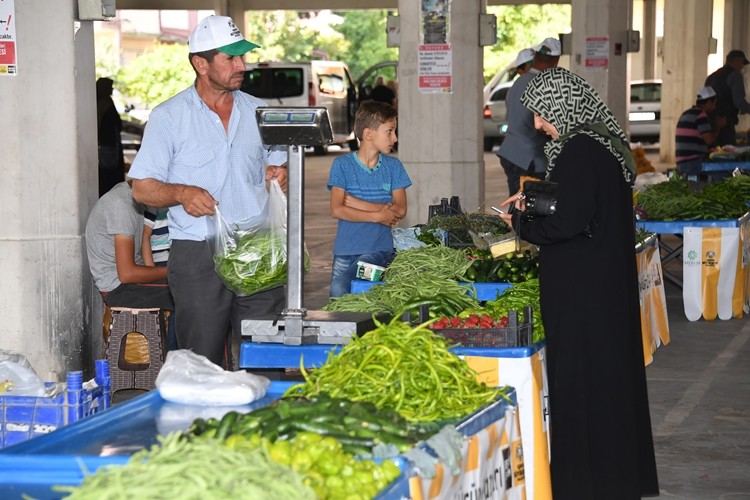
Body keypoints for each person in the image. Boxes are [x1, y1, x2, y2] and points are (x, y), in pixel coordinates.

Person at [498, 68, 659, 499]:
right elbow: (580, 202)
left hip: (583, 294)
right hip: (601, 288)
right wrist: (533, 200)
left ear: (561, 105)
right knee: (607, 386)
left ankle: (585, 483)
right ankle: (613, 477)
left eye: (539, 113)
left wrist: (520, 222)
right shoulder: (598, 144)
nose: (536, 124)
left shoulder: (578, 151)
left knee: (584, 386)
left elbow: (566, 222)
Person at [127, 15, 288, 368]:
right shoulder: (169, 117)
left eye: (242, 57)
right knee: (202, 360)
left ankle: (261, 421)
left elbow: (277, 166)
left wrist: (278, 173)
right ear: (201, 63)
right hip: (198, 254)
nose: (242, 66)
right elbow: (142, 188)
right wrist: (182, 193)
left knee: (266, 352)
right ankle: (207, 422)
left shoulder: (261, 111)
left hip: (258, 248)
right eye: (231, 58)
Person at [327, 100, 411, 298]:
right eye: (389, 131)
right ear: (368, 134)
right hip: (344, 251)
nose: (395, 138)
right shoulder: (342, 165)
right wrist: (379, 215)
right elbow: (336, 209)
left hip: (379, 252)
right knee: (338, 301)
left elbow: (400, 210)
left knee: (343, 288)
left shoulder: (393, 167)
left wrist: (358, 204)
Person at [85, 181, 174, 313]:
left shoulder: (130, 194)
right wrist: (174, 271)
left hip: (127, 283)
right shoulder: (121, 205)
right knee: (188, 292)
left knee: (191, 286)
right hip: (118, 289)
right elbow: (127, 274)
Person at [497, 38, 561, 196]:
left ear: (536, 58)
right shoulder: (545, 85)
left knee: (518, 204)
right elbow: (544, 126)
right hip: (530, 159)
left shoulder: (518, 83)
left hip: (511, 153)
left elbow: (512, 117)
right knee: (529, 208)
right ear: (555, 61)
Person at [675, 86, 726, 177]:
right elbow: (709, 140)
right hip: (693, 163)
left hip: (681, 163)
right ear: (710, 101)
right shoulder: (700, 115)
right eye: (714, 103)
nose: (714, 106)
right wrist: (719, 127)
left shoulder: (686, 113)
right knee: (725, 175)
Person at [705, 49, 750, 146]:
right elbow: (739, 102)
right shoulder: (735, 75)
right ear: (737, 61)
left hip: (709, 122)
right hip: (725, 121)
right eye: (742, 63)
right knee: (727, 152)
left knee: (713, 153)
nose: (742, 67)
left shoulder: (712, 77)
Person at [96, 77, 125, 197]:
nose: (112, 89)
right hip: (108, 146)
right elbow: (115, 123)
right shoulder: (105, 103)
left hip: (108, 144)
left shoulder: (99, 102)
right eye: (110, 86)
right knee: (110, 179)